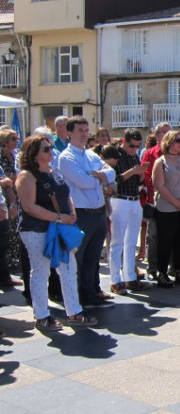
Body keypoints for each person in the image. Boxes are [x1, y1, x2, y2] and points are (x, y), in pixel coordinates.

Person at [16, 136, 97, 330]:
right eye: (45, 149)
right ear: (33, 154)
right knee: (41, 271)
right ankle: (42, 315)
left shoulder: (54, 172)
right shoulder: (26, 176)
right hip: (36, 229)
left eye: (50, 147)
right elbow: (29, 207)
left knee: (68, 268)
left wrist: (71, 213)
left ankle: (74, 311)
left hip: (60, 228)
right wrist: (60, 217)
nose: (50, 151)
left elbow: (65, 194)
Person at [58, 116, 116, 307]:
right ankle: (77, 298)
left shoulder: (91, 155)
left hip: (98, 212)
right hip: (81, 214)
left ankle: (91, 293)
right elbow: (82, 182)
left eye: (86, 130)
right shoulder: (66, 157)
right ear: (69, 133)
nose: (84, 134)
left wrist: (98, 175)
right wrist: (100, 178)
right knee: (79, 258)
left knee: (93, 257)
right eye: (79, 130)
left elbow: (111, 172)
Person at [108, 129, 151, 295]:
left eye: (137, 146)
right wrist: (133, 171)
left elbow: (138, 182)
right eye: (132, 145)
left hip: (133, 199)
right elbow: (114, 179)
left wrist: (140, 173)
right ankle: (115, 280)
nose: (134, 149)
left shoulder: (134, 156)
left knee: (131, 242)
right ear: (124, 141)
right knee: (117, 242)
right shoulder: (115, 155)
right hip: (119, 199)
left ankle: (130, 277)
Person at [153, 130, 180, 287]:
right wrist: (176, 202)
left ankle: (179, 269)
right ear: (169, 142)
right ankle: (162, 273)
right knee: (165, 241)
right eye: (178, 140)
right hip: (167, 208)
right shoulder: (161, 162)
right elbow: (159, 185)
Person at [141, 122, 171, 279]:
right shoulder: (150, 154)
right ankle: (152, 267)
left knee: (171, 235)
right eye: (163, 132)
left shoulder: (176, 153)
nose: (167, 135)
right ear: (157, 135)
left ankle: (171, 267)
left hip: (173, 201)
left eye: (169, 132)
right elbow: (145, 177)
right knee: (153, 236)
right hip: (155, 200)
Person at [0, 129, 21, 283]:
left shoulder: (16, 156)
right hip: (5, 200)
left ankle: (8, 269)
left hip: (11, 198)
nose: (16, 141)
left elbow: (10, 181)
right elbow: (6, 181)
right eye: (13, 138)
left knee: (10, 234)